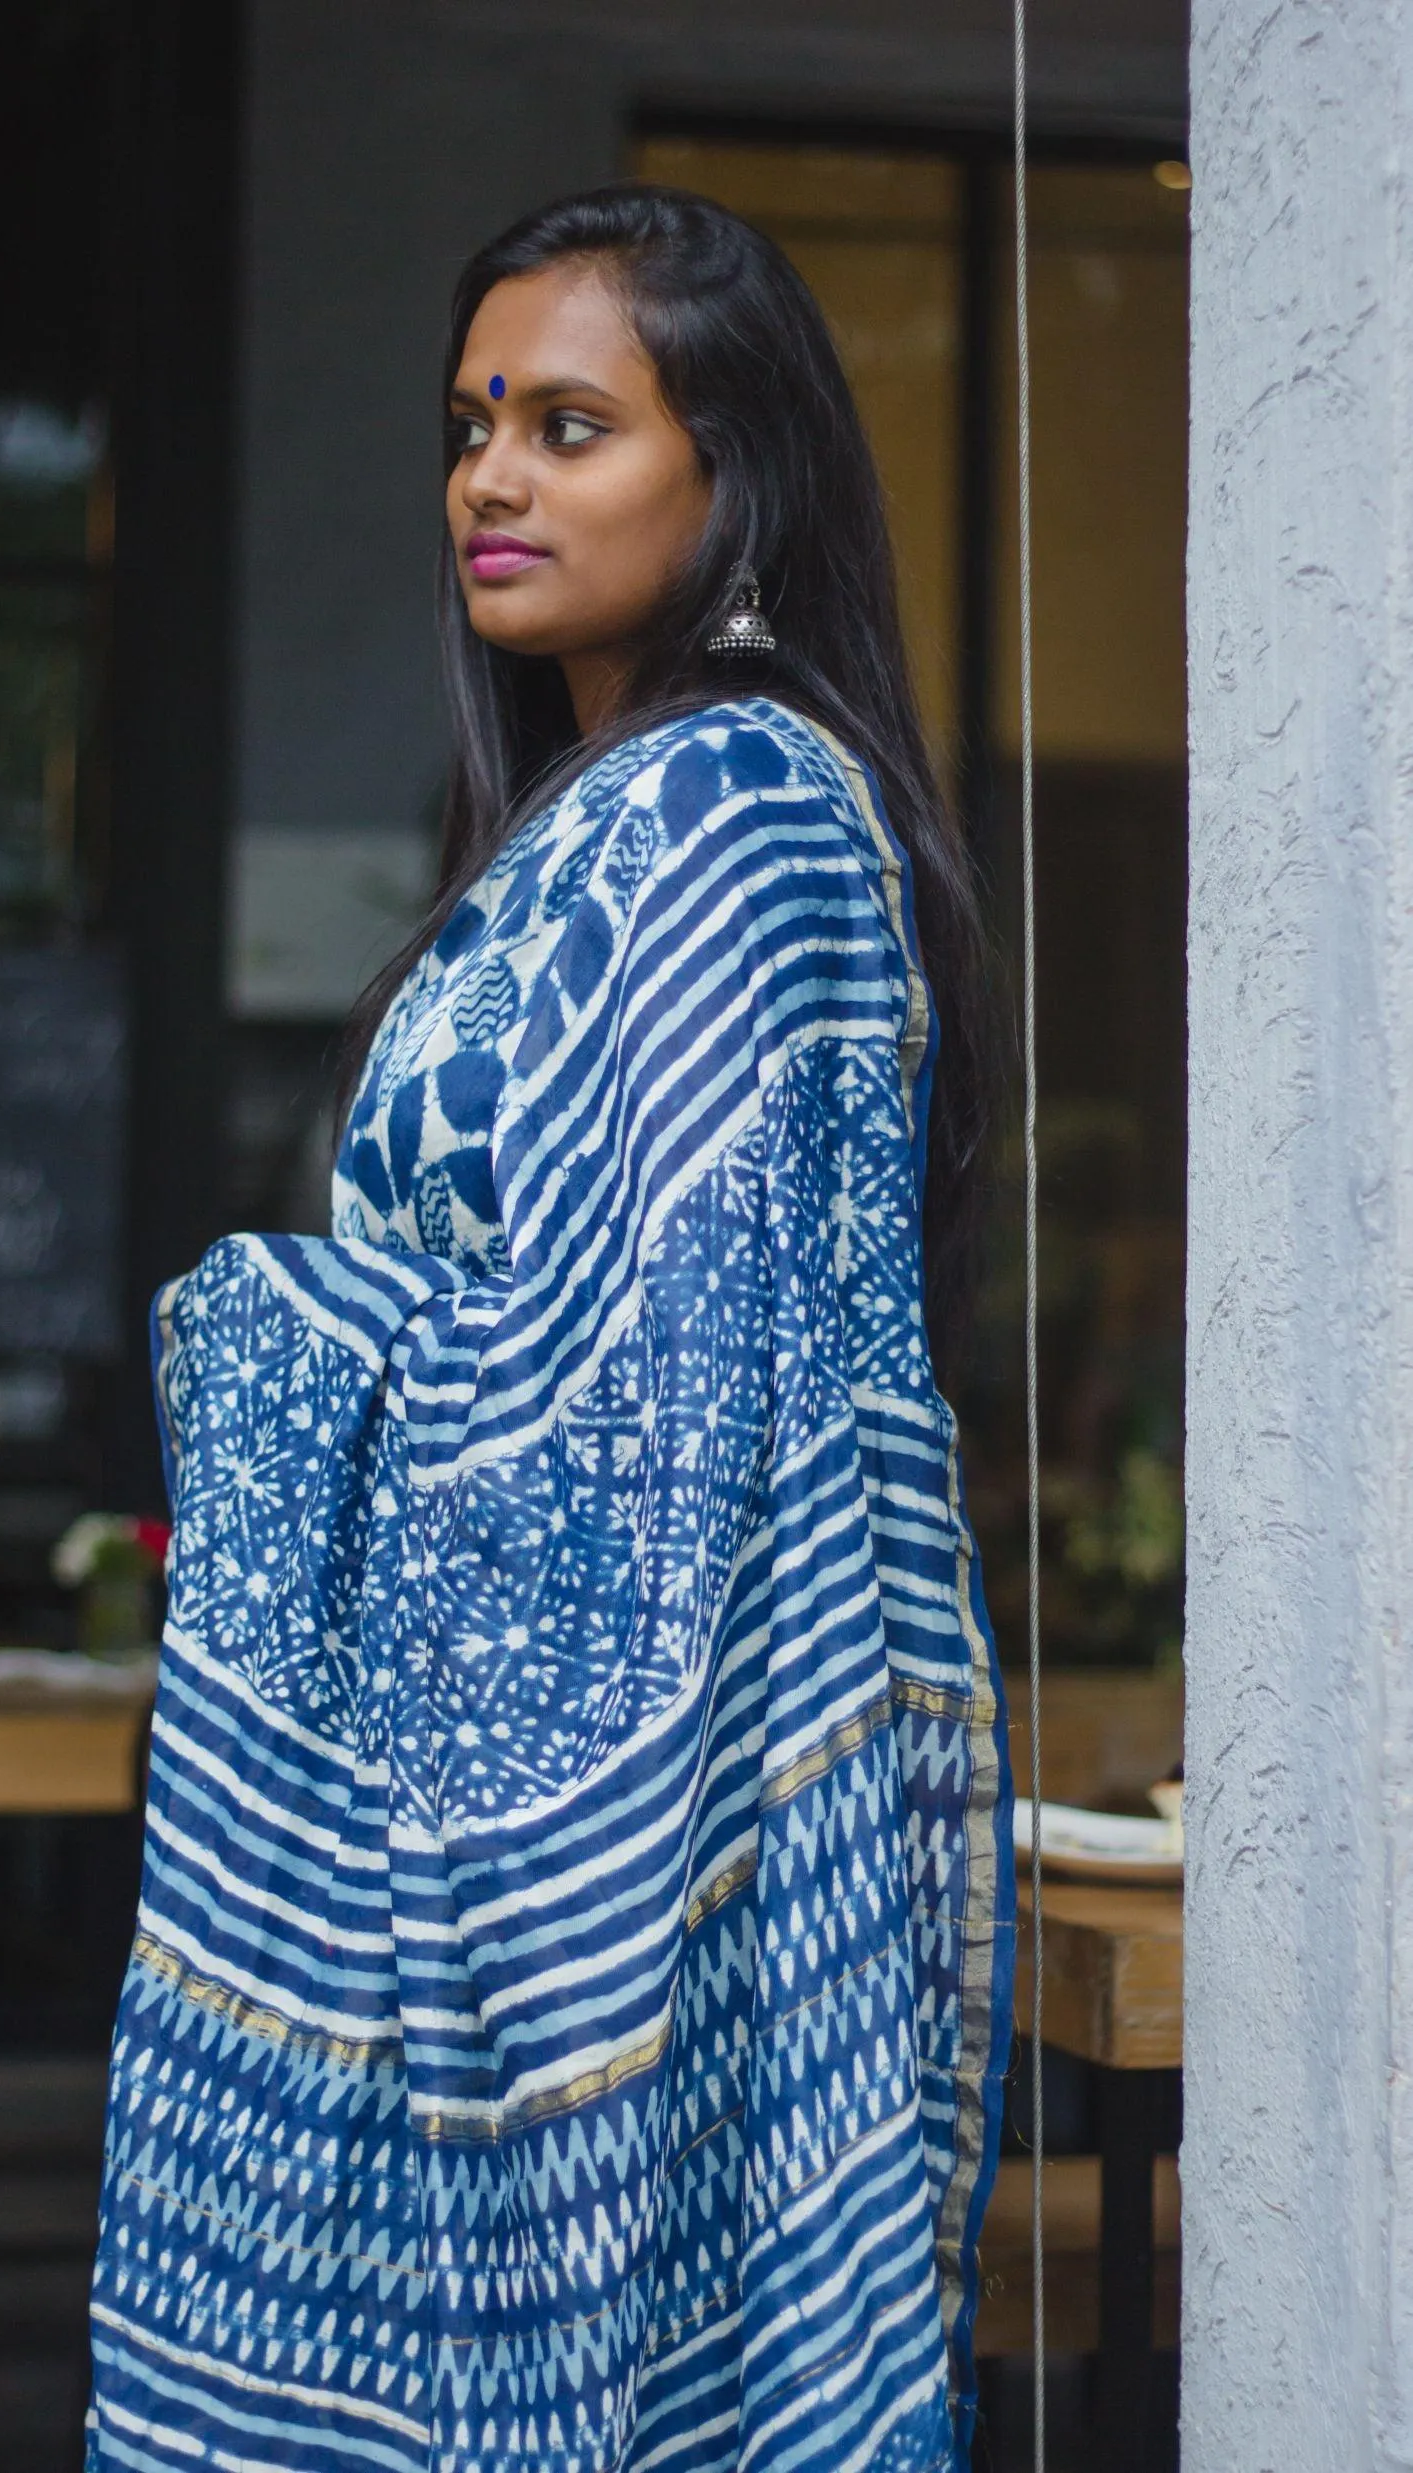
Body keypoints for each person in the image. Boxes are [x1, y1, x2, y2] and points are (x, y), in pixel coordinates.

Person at [85, 185, 1015, 2473]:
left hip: (659, 1812)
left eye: (570, 425)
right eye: (471, 421)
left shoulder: (732, 815)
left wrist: (277, 1333)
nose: (489, 477)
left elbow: (659, 1416)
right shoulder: (599, 817)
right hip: (554, 1769)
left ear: (736, 480)